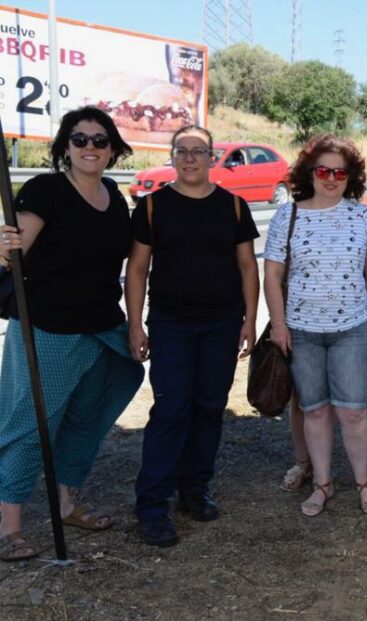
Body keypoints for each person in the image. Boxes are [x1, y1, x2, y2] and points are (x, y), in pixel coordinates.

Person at [0, 107, 144, 562]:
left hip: (103, 324)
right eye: (79, 139)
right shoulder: (45, 190)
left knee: (88, 412)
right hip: (48, 326)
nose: (90, 147)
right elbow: (14, 251)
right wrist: (5, 249)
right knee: (31, 422)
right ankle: (9, 527)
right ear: (64, 146)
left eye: (100, 141)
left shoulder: (115, 196)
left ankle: (66, 503)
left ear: (113, 149)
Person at [125, 125, 260, 548]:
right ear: (172, 157)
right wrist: (135, 323)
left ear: (211, 156)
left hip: (222, 324)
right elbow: (137, 269)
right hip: (171, 325)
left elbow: (247, 267)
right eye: (181, 151)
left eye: (198, 151)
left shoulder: (234, 207)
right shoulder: (151, 207)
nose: (189, 158)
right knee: (170, 411)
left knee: (208, 408)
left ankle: (193, 491)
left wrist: (250, 320)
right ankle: (151, 507)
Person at [264, 134, 367, 516]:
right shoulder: (288, 215)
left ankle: (364, 482)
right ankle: (322, 483)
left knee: (353, 410)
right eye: (323, 170)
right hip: (301, 330)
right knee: (314, 410)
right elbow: (272, 276)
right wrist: (279, 326)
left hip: (351, 330)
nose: (331, 178)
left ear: (351, 177)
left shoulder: (363, 215)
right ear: (310, 173)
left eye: (340, 172)